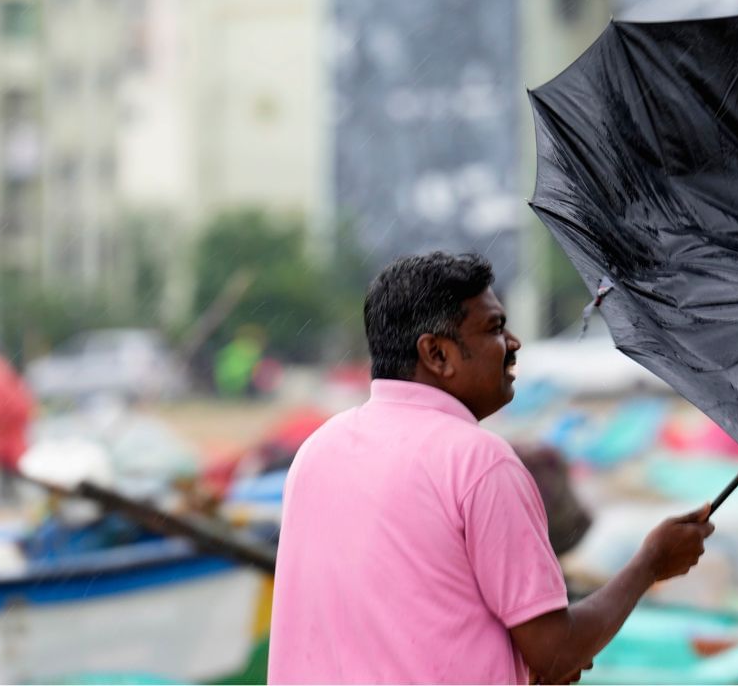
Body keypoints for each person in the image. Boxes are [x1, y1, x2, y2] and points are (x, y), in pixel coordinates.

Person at [268, 252, 714, 684]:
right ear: (437, 354)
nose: (513, 345)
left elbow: (395, 618)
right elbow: (555, 652)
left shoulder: (318, 449)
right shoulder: (480, 461)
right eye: (495, 328)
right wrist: (650, 564)